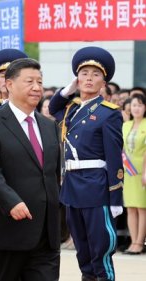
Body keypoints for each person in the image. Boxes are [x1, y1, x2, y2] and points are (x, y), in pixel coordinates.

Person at [0, 58, 61, 281]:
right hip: (9, 231)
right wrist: (11, 201)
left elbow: (53, 175)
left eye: (40, 82)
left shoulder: (49, 125)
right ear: (9, 84)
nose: (36, 87)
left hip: (46, 233)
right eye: (29, 81)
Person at [49, 46, 124, 281]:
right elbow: (53, 108)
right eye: (84, 74)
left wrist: (115, 197)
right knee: (82, 249)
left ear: (104, 82)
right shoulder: (71, 110)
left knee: (100, 249)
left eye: (95, 74)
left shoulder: (108, 113)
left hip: (96, 186)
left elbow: (114, 156)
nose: (88, 79)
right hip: (72, 186)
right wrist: (68, 90)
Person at [122, 93, 146, 255]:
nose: (136, 108)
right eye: (134, 105)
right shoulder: (126, 125)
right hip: (127, 171)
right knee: (130, 207)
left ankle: (140, 242)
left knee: (141, 208)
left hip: (142, 170)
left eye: (140, 105)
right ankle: (132, 241)